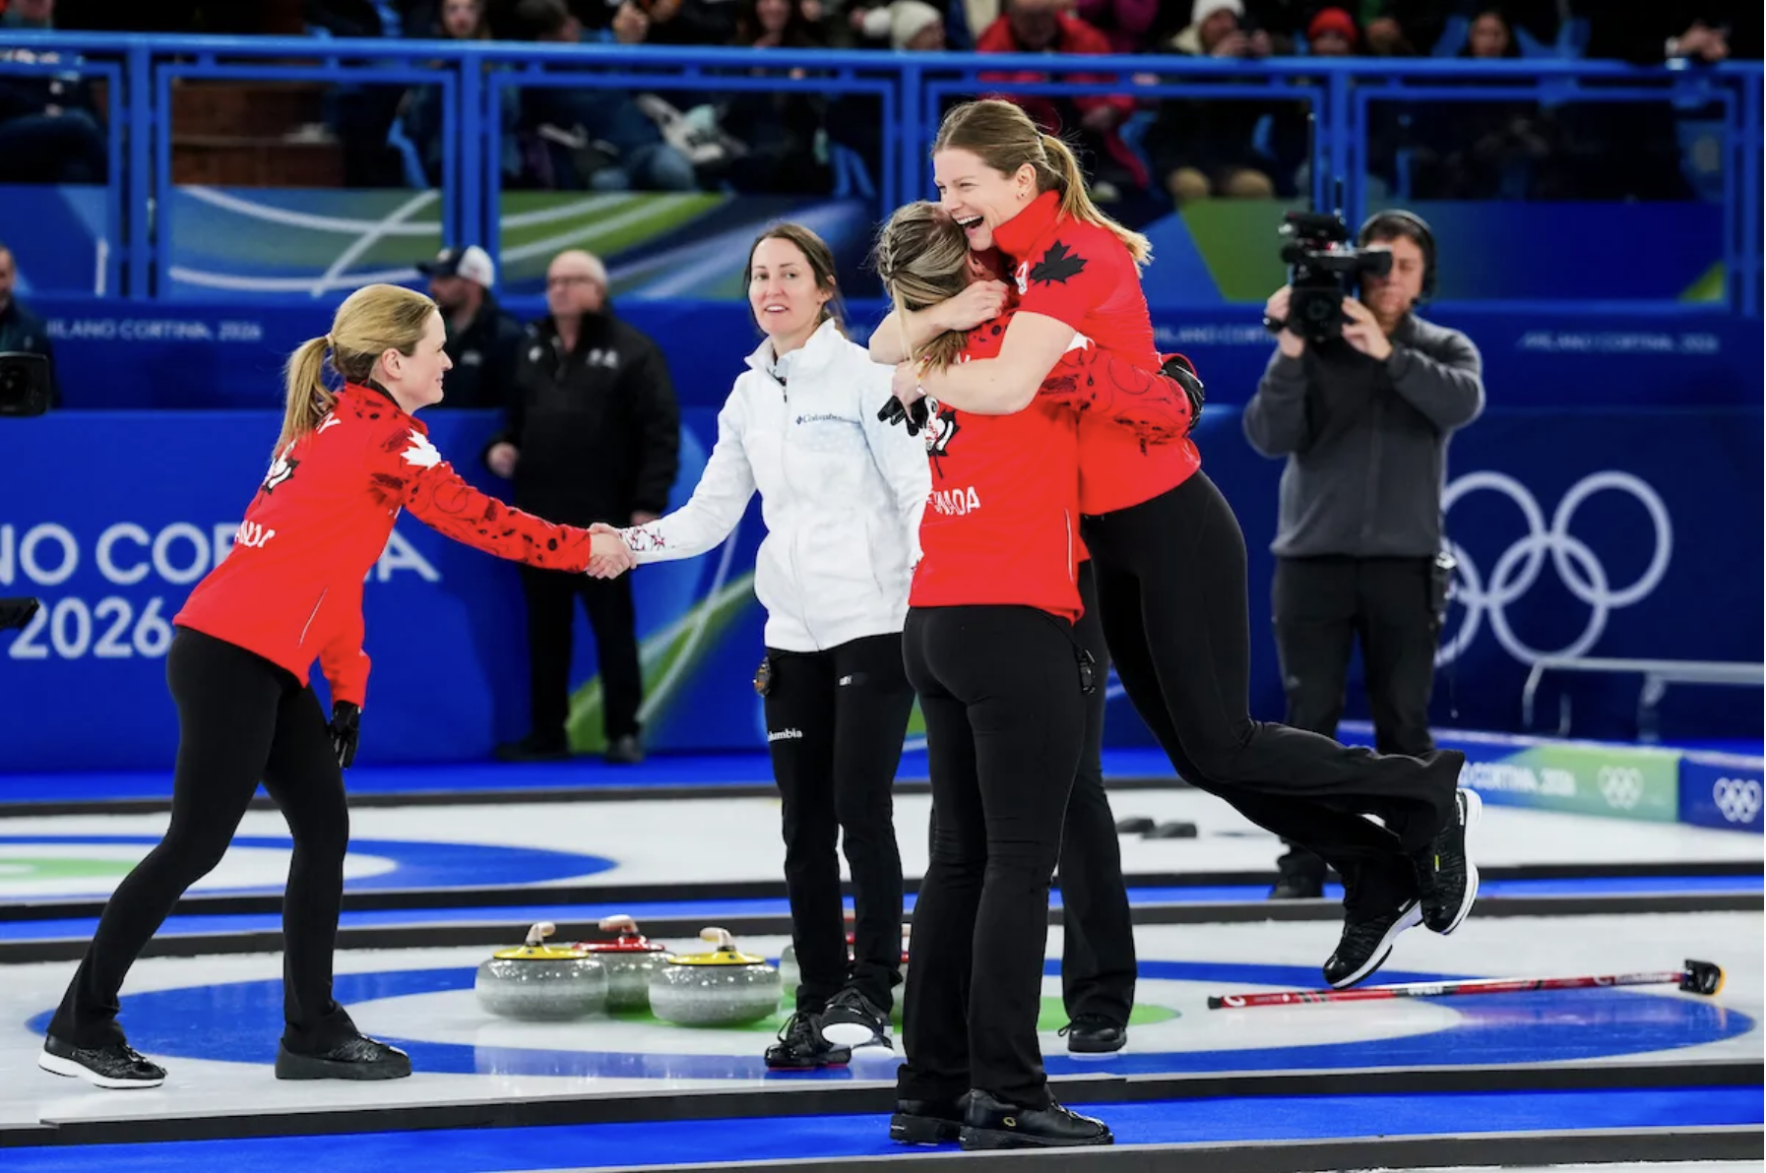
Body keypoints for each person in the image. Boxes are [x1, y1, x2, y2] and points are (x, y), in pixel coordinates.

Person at [872, 98, 1478, 991]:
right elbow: (884, 335)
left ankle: (1425, 792)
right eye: (941, 187)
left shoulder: (1075, 253)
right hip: (1099, 538)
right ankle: (1375, 867)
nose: (951, 202)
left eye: (964, 185)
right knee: (1202, 756)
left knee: (1222, 740)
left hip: (1166, 519)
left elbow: (996, 387)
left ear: (1021, 179)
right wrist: (934, 322)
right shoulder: (1007, 256)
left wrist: (921, 365)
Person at [39, 284, 633, 1090]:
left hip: (253, 657)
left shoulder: (333, 422)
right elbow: (482, 521)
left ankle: (311, 1029)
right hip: (234, 656)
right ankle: (82, 1021)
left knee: (323, 829)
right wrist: (585, 547)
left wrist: (347, 686)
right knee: (194, 844)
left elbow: (333, 575)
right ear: (394, 361)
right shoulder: (385, 439)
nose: (450, 358)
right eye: (436, 346)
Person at [874, 201, 1196, 1151]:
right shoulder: (1025, 348)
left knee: (960, 863)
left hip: (933, 619)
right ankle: (1008, 1091)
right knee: (1020, 865)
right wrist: (1175, 381)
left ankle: (929, 1088)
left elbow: (890, 330)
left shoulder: (924, 358)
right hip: (1017, 617)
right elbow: (1158, 402)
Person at [600, 225, 927, 1069]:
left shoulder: (866, 376)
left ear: (825, 287)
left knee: (862, 808)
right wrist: (623, 544)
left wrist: (931, 608)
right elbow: (710, 517)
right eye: (757, 275)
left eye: (788, 273)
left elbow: (916, 492)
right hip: (792, 635)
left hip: (876, 623)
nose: (770, 288)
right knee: (803, 826)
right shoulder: (748, 394)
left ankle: (872, 989)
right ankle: (819, 1001)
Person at [1245, 210, 1485, 899]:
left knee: (1404, 719)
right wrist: (1291, 349)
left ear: (1423, 278)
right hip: (1311, 562)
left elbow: (1462, 402)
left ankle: (1421, 863)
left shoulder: (1445, 347)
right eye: (1381, 263)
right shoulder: (1314, 343)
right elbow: (1267, 433)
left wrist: (1389, 355)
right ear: (1356, 265)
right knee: (1307, 721)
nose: (1391, 277)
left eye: (1406, 266)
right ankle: (1303, 865)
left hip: (1404, 565)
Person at [488, 248, 680, 766]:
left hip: (605, 520)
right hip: (538, 519)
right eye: (552, 281)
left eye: (572, 280)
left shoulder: (634, 352)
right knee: (544, 632)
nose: (559, 290)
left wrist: (646, 505)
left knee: (612, 629)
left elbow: (659, 434)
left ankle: (624, 731)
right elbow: (516, 420)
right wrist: (501, 448)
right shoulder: (532, 349)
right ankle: (547, 733)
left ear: (598, 289)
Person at [419, 244, 524, 410]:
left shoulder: (504, 336)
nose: (433, 287)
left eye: (444, 279)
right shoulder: (426, 333)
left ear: (473, 283)